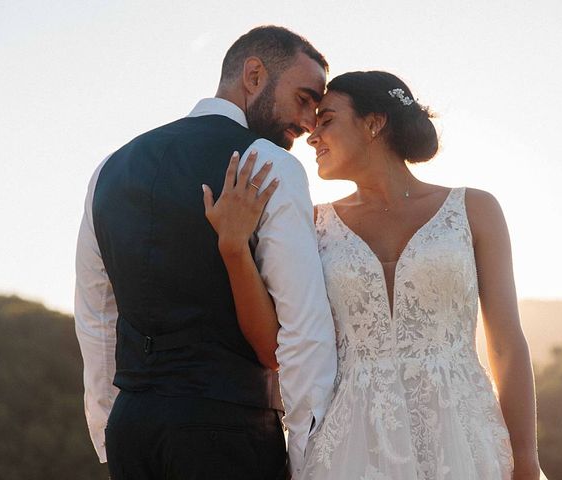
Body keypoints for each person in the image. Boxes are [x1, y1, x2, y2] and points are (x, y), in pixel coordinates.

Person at [203, 71, 542, 479]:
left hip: (464, 437)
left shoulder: (475, 210)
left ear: (374, 123)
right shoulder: (312, 226)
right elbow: (277, 344)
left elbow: (506, 345)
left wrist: (525, 459)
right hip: (350, 443)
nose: (311, 136)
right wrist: (234, 248)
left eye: (326, 120)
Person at [74, 25, 337, 480]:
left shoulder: (109, 168)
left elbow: (97, 316)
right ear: (254, 75)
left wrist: (109, 430)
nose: (310, 120)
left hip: (133, 432)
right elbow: (302, 329)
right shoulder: (271, 166)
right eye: (304, 98)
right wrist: (306, 455)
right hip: (228, 432)